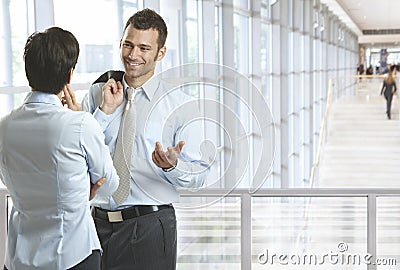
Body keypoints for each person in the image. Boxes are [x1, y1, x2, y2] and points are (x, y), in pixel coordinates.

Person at [81, 8, 210, 270]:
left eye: (143, 48)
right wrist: (103, 113)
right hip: (95, 224)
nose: (132, 55)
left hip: (150, 226)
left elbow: (199, 175)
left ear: (160, 53)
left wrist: (173, 167)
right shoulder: (97, 94)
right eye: (128, 45)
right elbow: (77, 152)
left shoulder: (181, 106)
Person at [0, 27, 120, 270]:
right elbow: (110, 185)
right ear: (69, 75)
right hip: (72, 257)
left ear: (28, 72)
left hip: (19, 260)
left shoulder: (4, 127)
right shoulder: (80, 123)